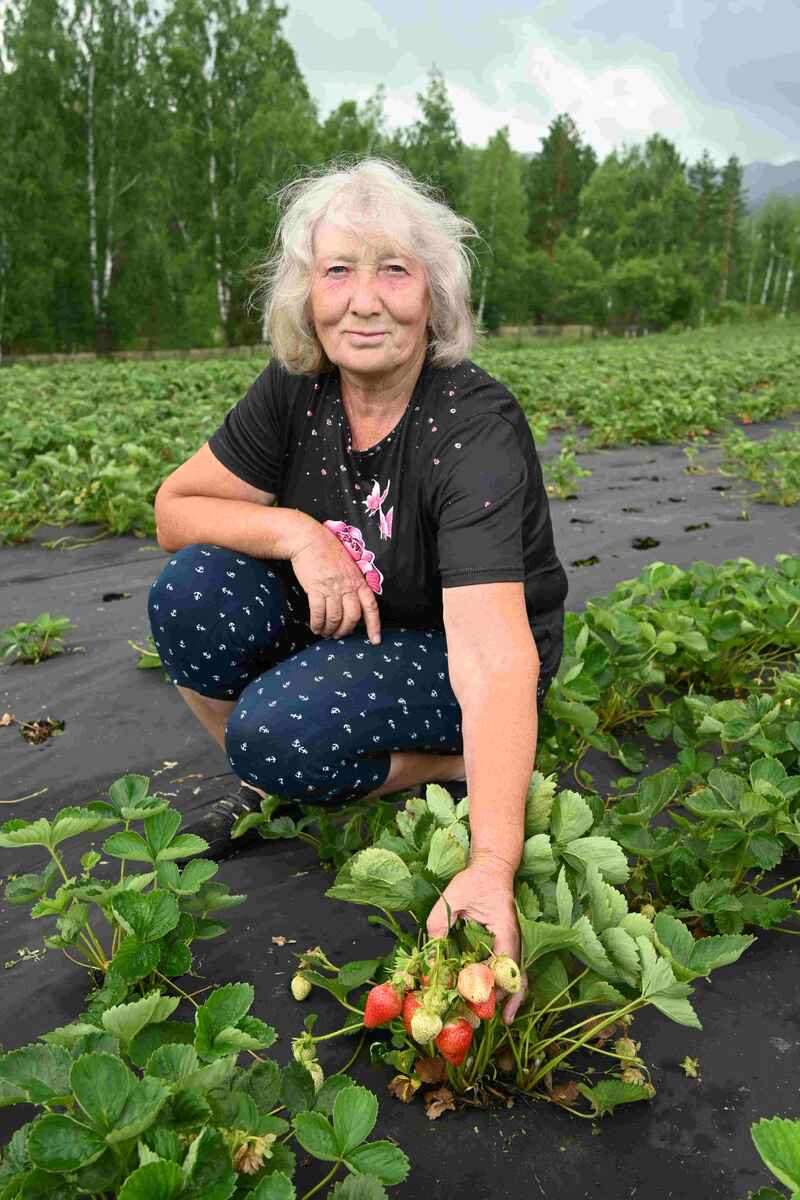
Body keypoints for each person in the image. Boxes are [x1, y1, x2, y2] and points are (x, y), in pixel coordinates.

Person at [148, 158, 568, 1023]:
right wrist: (296, 533)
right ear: (308, 293)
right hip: (355, 629)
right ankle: (285, 778)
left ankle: (458, 764)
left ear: (434, 297)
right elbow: (174, 508)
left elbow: (491, 657)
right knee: (191, 591)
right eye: (338, 270)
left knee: (281, 729)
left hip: (458, 651)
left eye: (394, 271)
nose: (364, 300)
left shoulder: (470, 429)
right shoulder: (296, 393)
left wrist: (491, 864)